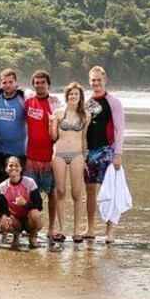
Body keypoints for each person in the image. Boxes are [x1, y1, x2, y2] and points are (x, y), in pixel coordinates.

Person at [84, 66, 125, 244]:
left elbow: (120, 130)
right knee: (90, 191)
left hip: (107, 151)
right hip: (89, 152)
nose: (96, 83)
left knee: (109, 191)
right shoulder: (86, 102)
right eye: (93, 80)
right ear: (89, 81)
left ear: (105, 80)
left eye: (99, 80)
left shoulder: (113, 102)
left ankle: (109, 231)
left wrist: (118, 154)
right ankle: (90, 228)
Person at [23, 69, 61, 241]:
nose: (40, 85)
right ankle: (32, 227)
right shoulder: (28, 100)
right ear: (33, 84)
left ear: (48, 85)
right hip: (30, 157)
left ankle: (51, 228)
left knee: (51, 193)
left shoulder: (55, 104)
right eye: (37, 82)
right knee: (31, 194)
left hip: (49, 157)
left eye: (43, 82)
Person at [50, 82, 90, 243]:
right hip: (59, 154)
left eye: (76, 94)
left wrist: (85, 157)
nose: (73, 97)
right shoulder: (58, 113)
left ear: (80, 97)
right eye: (71, 94)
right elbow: (53, 137)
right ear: (66, 96)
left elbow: (84, 138)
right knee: (60, 192)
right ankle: (61, 229)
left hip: (77, 155)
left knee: (76, 193)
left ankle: (76, 230)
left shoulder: (86, 115)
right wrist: (51, 124)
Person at [0, 68, 27, 185]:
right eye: (4, 82)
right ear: (0, 84)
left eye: (10, 82)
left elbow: (34, 96)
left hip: (17, 151)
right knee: (0, 187)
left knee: (17, 187)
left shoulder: (23, 99)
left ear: (16, 83)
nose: (8, 85)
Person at [0, 156, 44, 249]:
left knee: (35, 213)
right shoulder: (2, 186)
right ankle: (16, 236)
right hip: (15, 220)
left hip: (29, 219)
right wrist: (4, 217)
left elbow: (39, 205)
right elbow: (2, 210)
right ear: (6, 169)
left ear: (21, 168)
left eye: (16, 165)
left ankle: (32, 238)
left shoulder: (29, 182)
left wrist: (25, 204)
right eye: (10, 166)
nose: (13, 168)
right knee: (3, 222)